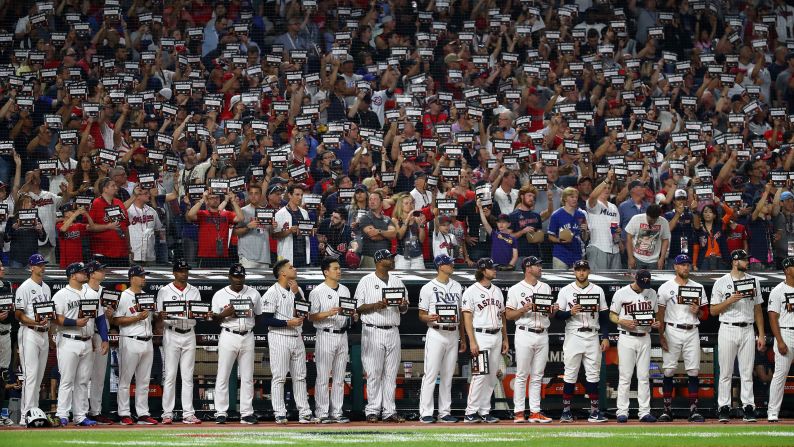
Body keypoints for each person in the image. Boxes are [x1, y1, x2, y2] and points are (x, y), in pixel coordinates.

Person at [710, 249, 766, 423]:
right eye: (744, 260)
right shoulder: (721, 282)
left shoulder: (754, 281)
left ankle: (748, 407)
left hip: (748, 329)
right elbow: (712, 311)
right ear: (735, 262)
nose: (747, 262)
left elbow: (758, 309)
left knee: (747, 372)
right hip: (727, 327)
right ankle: (724, 407)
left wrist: (761, 334)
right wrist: (729, 301)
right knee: (725, 372)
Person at [355, 249, 409, 422]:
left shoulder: (397, 281)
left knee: (391, 374)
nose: (391, 260)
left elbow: (404, 309)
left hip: (393, 330)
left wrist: (402, 304)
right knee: (373, 373)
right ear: (379, 261)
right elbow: (358, 307)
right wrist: (375, 305)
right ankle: (372, 410)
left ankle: (389, 411)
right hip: (373, 329)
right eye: (388, 258)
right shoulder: (366, 281)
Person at [262, 259, 318, 424]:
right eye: (291, 267)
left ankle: (305, 412)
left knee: (300, 376)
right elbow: (265, 320)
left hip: (296, 336)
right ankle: (279, 412)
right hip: (279, 336)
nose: (295, 269)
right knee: (279, 377)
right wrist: (287, 322)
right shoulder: (272, 292)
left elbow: (303, 310)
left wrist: (296, 294)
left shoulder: (297, 289)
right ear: (282, 273)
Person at [553, 260, 610, 423]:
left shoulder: (598, 290)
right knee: (570, 372)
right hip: (574, 334)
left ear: (589, 271)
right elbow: (557, 315)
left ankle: (594, 411)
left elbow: (605, 316)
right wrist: (570, 312)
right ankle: (566, 411)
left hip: (593, 334)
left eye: (584, 269)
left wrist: (605, 336)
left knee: (593, 373)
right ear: (574, 271)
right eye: (578, 270)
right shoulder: (565, 290)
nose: (581, 273)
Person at [655, 254, 708, 423]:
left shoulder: (698, 286)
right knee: (669, 370)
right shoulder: (665, 287)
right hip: (672, 329)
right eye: (682, 265)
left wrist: (697, 311)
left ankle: (693, 410)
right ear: (675, 267)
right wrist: (661, 335)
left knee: (693, 371)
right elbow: (660, 313)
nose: (685, 267)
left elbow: (706, 314)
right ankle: (666, 410)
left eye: (687, 264)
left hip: (692, 329)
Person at [506, 256, 557, 424]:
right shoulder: (515, 289)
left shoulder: (546, 287)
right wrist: (523, 309)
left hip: (543, 332)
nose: (540, 268)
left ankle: (535, 412)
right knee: (522, 374)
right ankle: (519, 412)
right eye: (537, 265)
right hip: (524, 332)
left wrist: (553, 310)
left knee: (538, 375)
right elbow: (508, 315)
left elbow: (549, 314)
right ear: (528, 268)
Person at [210, 263, 263, 424]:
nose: (238, 279)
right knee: (223, 375)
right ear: (229, 277)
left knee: (247, 376)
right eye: (235, 276)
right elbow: (212, 319)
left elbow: (259, 316)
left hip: (247, 335)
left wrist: (250, 324)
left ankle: (246, 413)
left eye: (241, 276)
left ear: (244, 277)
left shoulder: (254, 293)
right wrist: (223, 315)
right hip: (228, 335)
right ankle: (220, 412)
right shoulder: (220, 294)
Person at [417, 254, 465, 424]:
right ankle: (426, 412)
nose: (452, 265)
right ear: (440, 266)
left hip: (453, 333)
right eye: (449, 263)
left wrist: (463, 339)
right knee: (430, 374)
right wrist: (428, 317)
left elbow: (460, 314)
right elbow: (421, 315)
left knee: (448, 375)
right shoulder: (428, 287)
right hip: (436, 332)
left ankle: (444, 412)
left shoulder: (457, 286)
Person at [155, 260, 203, 425]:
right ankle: (167, 413)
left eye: (186, 270)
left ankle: (188, 413)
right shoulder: (164, 291)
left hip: (189, 333)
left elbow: (197, 312)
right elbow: (159, 316)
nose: (184, 273)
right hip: (172, 334)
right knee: (170, 375)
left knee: (188, 376)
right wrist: (162, 317)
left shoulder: (194, 290)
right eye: (181, 270)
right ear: (174, 273)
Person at [462, 258, 508, 424]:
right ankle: (470, 412)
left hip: (496, 336)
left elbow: (502, 316)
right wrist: (472, 341)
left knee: (491, 377)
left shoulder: (497, 291)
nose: (494, 270)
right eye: (491, 268)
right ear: (483, 270)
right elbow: (467, 318)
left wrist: (505, 338)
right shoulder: (470, 291)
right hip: (480, 335)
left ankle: (484, 411)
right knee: (479, 375)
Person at [609, 270, 659, 423]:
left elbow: (654, 315)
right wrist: (621, 321)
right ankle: (622, 411)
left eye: (646, 283)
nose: (644, 286)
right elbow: (612, 315)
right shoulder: (621, 293)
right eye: (641, 283)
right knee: (625, 376)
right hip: (627, 337)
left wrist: (655, 323)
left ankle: (644, 412)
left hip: (645, 336)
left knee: (644, 376)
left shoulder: (651, 292)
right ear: (635, 279)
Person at [309, 257, 353, 424]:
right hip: (325, 333)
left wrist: (352, 316)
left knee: (340, 377)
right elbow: (311, 317)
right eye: (335, 268)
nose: (339, 271)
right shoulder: (317, 291)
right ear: (326, 272)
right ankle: (321, 412)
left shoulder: (346, 290)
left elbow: (349, 313)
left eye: (339, 268)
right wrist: (328, 313)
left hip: (342, 335)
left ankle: (337, 411)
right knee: (323, 376)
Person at [52, 262, 97, 427]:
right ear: (72, 275)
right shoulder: (61, 294)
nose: (85, 273)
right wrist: (75, 322)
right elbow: (57, 318)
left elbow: (95, 317)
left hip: (86, 341)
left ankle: (80, 416)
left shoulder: (89, 293)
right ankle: (62, 414)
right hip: (68, 339)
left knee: (83, 381)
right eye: (81, 272)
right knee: (67, 380)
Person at [112, 265, 157, 425]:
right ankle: (124, 413)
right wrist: (136, 318)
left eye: (145, 275)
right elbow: (116, 320)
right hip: (130, 340)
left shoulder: (147, 296)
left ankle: (143, 413)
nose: (144, 278)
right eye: (141, 276)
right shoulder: (123, 296)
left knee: (144, 381)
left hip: (147, 340)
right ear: (132, 278)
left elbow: (152, 319)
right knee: (125, 380)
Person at [13, 254, 52, 422]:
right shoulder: (24, 287)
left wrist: (50, 334)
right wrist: (35, 321)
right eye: (39, 264)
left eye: (43, 264)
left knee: (39, 376)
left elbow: (48, 314)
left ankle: (34, 412)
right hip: (29, 332)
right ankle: (25, 415)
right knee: (31, 375)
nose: (42, 267)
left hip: (43, 333)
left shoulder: (47, 288)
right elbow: (18, 315)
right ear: (32, 267)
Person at [83, 260, 113, 425]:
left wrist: (109, 314)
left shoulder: (105, 292)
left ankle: (96, 411)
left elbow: (107, 318)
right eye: (100, 270)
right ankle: (80, 411)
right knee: (83, 376)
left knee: (99, 377)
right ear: (92, 273)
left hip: (101, 335)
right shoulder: (83, 290)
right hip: (86, 335)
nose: (103, 272)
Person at [766, 256, 794, 423]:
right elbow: (772, 318)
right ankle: (772, 411)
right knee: (780, 375)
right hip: (786, 333)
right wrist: (780, 340)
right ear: (787, 270)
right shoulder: (778, 290)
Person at [186, 190, 244, 267]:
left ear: (220, 199)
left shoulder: (226, 214)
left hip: (223, 256)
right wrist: (202, 199)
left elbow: (241, 218)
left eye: (217, 197)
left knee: (223, 279)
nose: (215, 200)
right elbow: (190, 215)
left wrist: (233, 201)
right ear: (208, 200)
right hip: (205, 256)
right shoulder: (203, 214)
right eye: (211, 198)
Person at [88, 178, 131, 266]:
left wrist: (128, 246)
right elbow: (90, 227)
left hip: (122, 251)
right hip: (103, 253)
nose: (116, 188)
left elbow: (125, 226)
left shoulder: (119, 202)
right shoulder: (96, 203)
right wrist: (107, 226)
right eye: (113, 186)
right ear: (105, 189)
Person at [586, 171, 621, 270]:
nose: (607, 190)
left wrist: (618, 232)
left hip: (614, 249)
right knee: (599, 280)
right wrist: (607, 180)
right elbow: (592, 196)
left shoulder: (613, 207)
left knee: (615, 282)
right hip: (598, 247)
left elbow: (615, 228)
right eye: (604, 187)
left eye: (609, 188)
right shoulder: (594, 204)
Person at [548, 187, 589, 269]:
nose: (575, 199)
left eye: (576, 197)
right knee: (560, 281)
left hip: (577, 255)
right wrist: (559, 240)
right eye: (572, 197)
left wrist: (585, 231)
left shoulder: (581, 215)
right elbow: (550, 236)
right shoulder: (556, 215)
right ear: (565, 198)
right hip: (561, 255)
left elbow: (584, 239)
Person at [273, 184, 312, 268]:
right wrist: (289, 231)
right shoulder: (280, 214)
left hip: (303, 255)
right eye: (297, 195)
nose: (300, 197)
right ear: (290, 195)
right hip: (287, 255)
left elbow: (307, 231)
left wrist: (311, 231)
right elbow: (274, 235)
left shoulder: (304, 213)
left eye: (301, 195)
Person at [235, 184, 272, 269]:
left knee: (264, 282)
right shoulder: (242, 211)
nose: (253, 196)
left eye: (256, 193)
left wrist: (273, 226)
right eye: (251, 193)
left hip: (264, 257)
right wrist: (248, 227)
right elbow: (235, 232)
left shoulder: (267, 212)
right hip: (247, 258)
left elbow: (271, 234)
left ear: (261, 195)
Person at [625, 204, 671, 270]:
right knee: (634, 279)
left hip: (654, 261)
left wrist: (662, 258)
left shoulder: (664, 222)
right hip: (637, 258)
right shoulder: (636, 219)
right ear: (646, 214)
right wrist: (630, 257)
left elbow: (665, 240)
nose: (652, 222)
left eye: (654, 220)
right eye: (650, 220)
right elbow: (629, 238)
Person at [358, 192, 397, 268]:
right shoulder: (365, 218)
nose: (372, 202)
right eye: (370, 199)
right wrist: (387, 236)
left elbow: (393, 235)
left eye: (375, 199)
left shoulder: (387, 218)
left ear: (381, 202)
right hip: (370, 258)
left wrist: (379, 231)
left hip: (386, 258)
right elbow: (373, 236)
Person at [127, 186, 164, 265]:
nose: (149, 195)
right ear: (138, 196)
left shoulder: (152, 211)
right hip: (134, 254)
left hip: (150, 255)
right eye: (145, 194)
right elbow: (120, 209)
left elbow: (159, 229)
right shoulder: (128, 210)